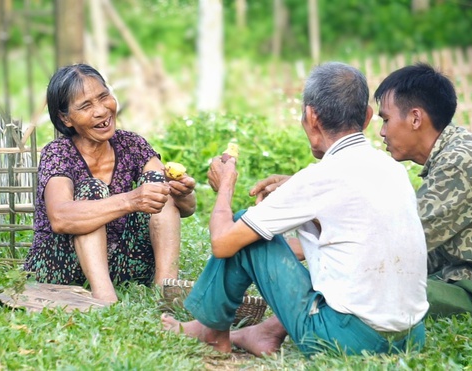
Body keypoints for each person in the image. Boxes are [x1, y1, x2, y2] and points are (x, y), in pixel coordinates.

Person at [161, 62, 429, 356]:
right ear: (366, 117)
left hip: (350, 342)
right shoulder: (391, 170)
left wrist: (225, 186)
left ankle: (211, 330)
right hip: (410, 338)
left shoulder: (319, 178)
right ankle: (259, 333)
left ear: (311, 117)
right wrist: (292, 189)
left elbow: (223, 242)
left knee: (243, 228)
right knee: (284, 241)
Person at [24, 64, 196, 303]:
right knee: (92, 190)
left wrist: (182, 193)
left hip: (125, 264)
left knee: (157, 185)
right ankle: (105, 297)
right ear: (66, 118)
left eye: (104, 97)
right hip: (63, 266)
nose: (101, 111)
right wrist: (130, 200)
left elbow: (183, 208)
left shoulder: (132, 144)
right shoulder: (58, 153)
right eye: (86, 106)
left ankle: (165, 291)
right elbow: (61, 217)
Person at [374, 63, 472, 317]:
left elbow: (402, 239)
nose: (382, 132)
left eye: (386, 120)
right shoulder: (452, 154)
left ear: (415, 118)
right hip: (469, 279)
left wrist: (321, 241)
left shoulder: (460, 162)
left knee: (378, 291)